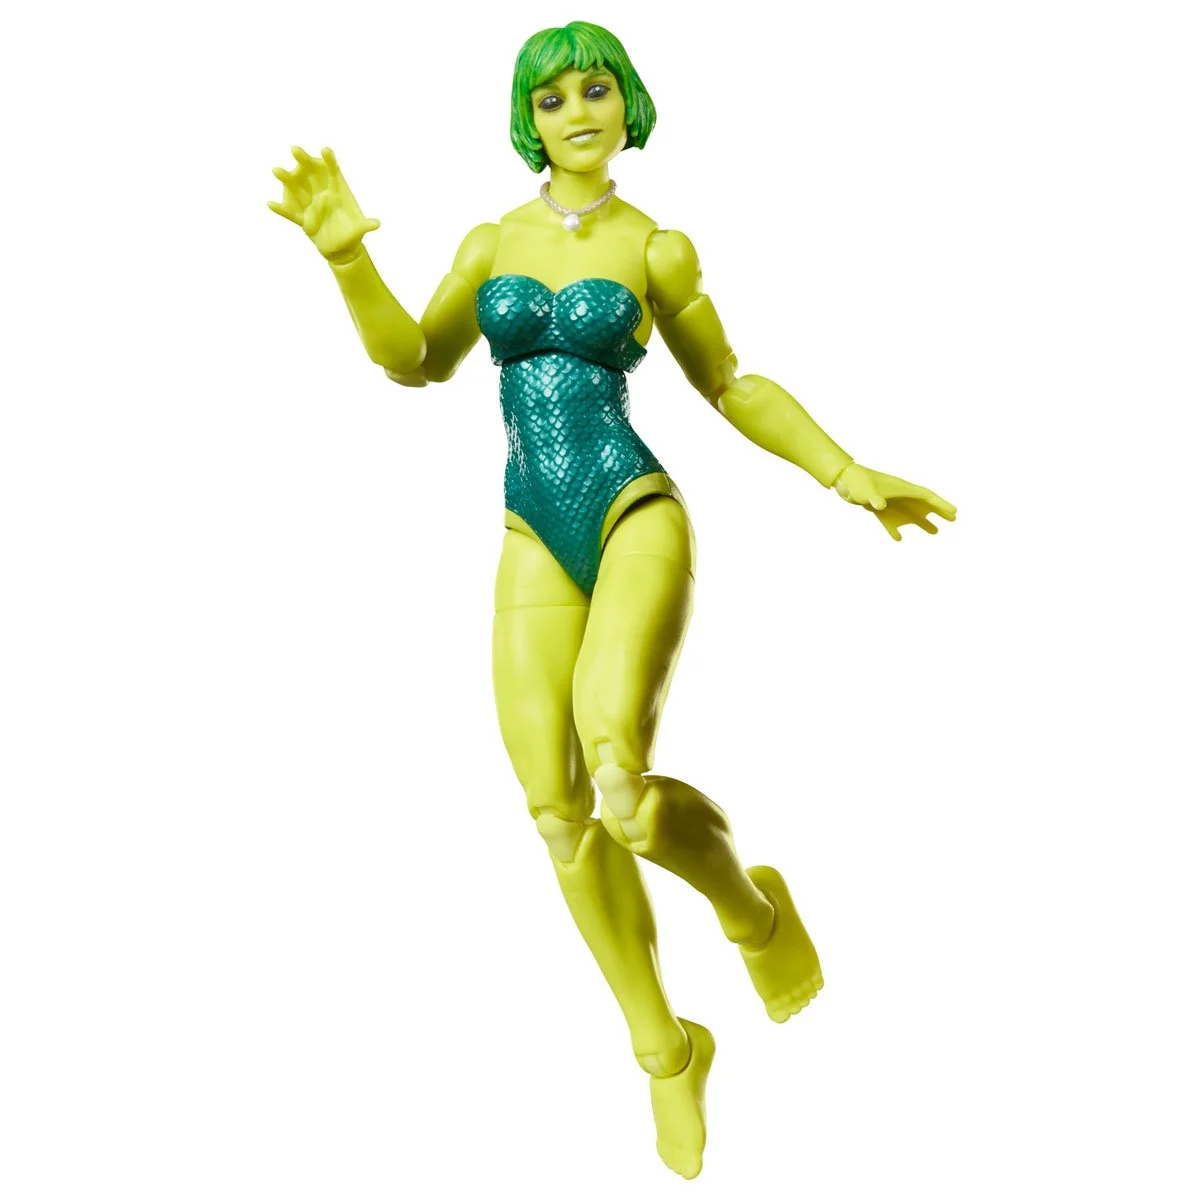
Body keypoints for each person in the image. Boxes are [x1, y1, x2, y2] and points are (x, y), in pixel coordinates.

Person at [269, 19, 955, 1179]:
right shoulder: (491, 240)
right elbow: (414, 360)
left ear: (627, 103)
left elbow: (730, 383)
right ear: (526, 120)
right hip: (532, 527)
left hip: (633, 507)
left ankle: (752, 911)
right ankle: (668, 1052)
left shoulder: (656, 248)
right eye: (551, 99)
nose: (576, 113)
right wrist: (346, 260)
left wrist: (846, 473)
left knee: (622, 785)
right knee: (557, 811)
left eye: (595, 90)